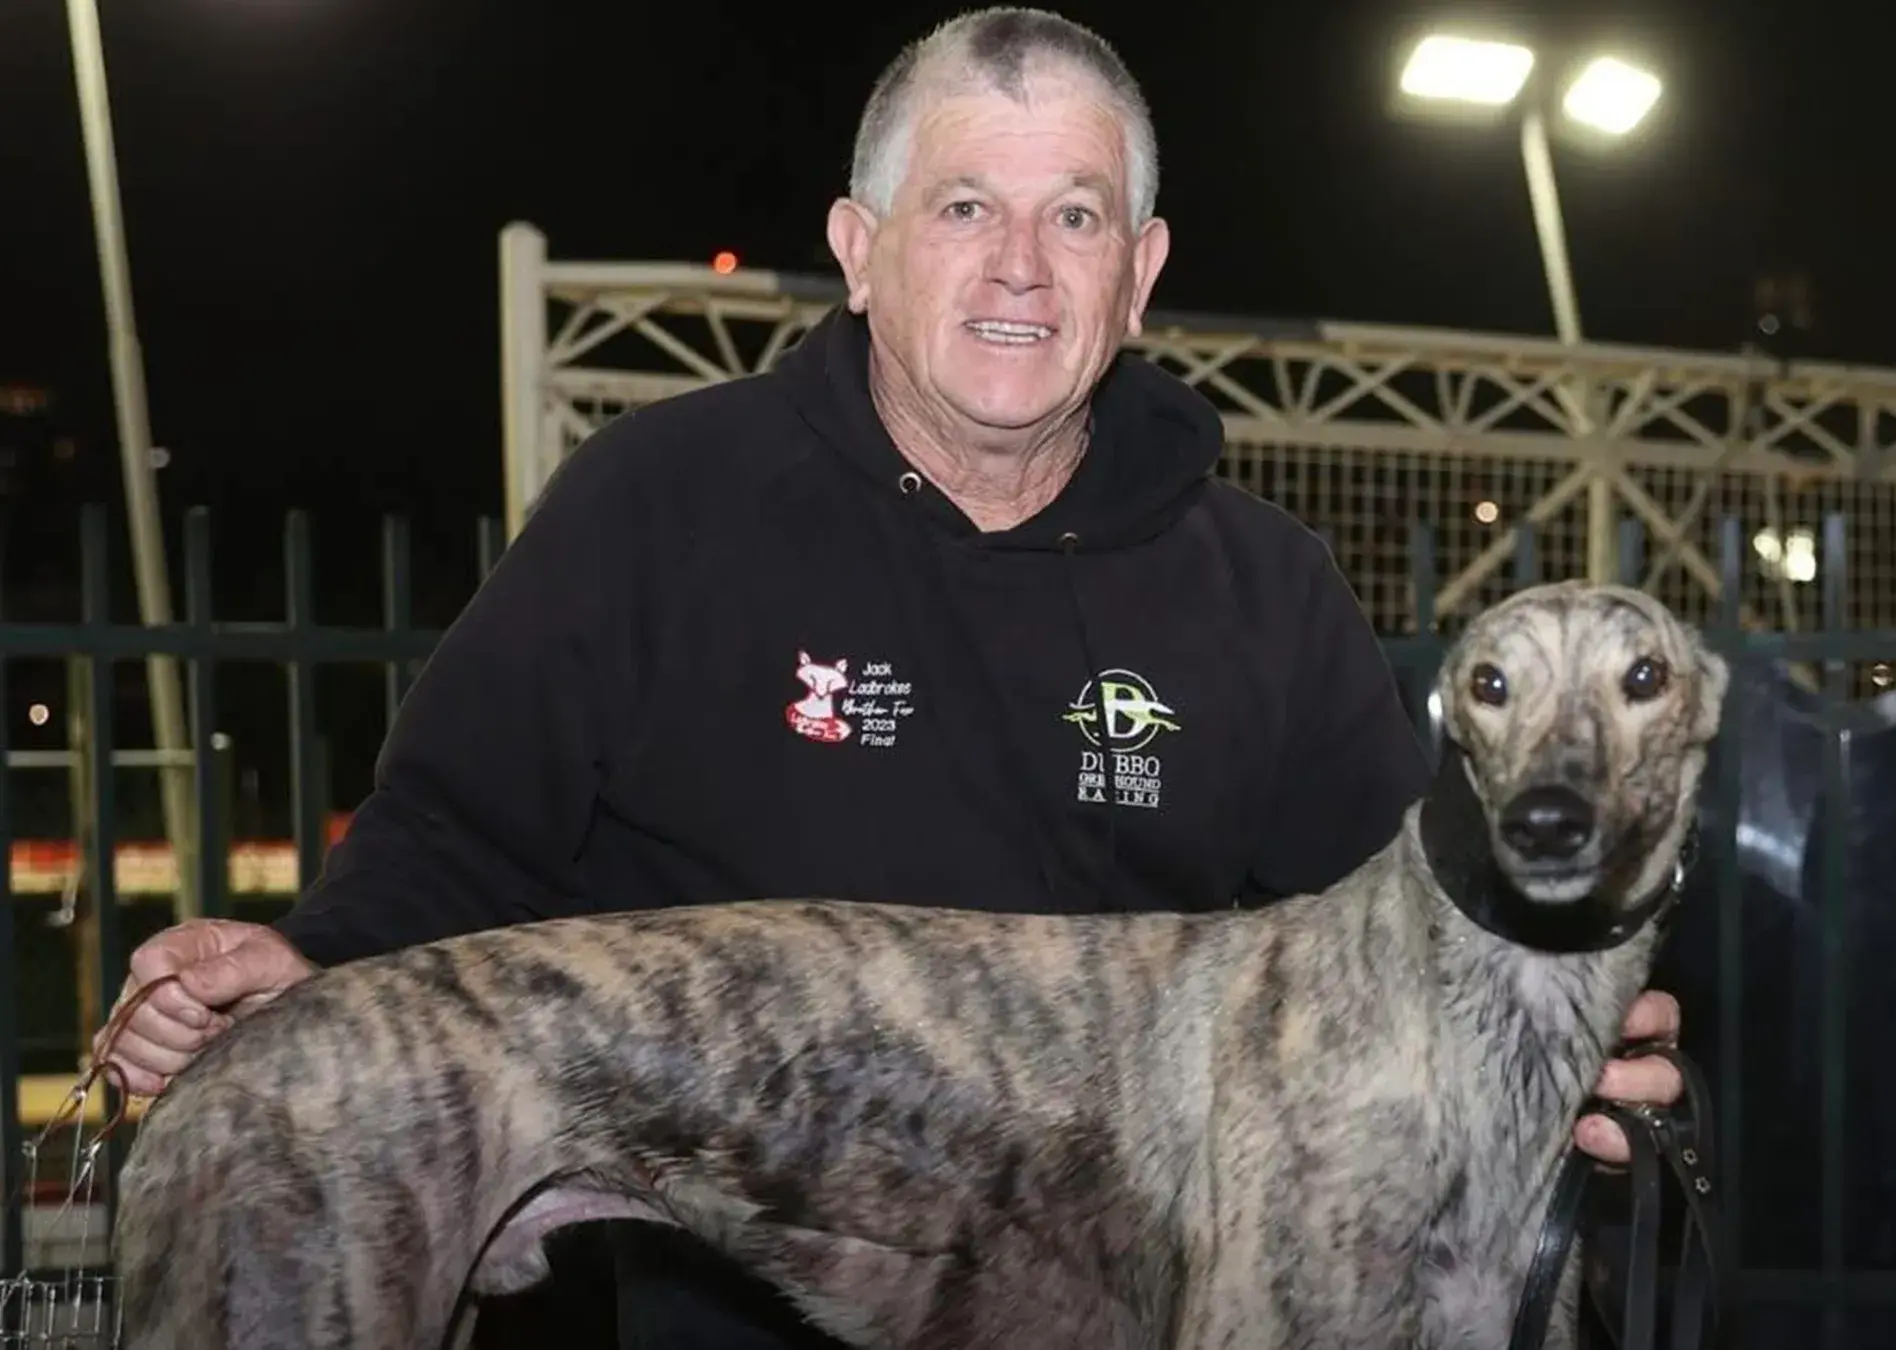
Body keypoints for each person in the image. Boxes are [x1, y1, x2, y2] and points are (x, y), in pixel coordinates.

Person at [97, 7, 1685, 1347]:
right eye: (962, 208)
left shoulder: (1265, 587)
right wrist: (310, 961)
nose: (1020, 267)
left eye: (1074, 216)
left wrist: (1561, 1032)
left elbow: (1406, 943)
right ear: (860, 252)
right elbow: (458, 826)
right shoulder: (659, 498)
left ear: (1138, 274)